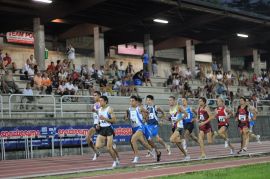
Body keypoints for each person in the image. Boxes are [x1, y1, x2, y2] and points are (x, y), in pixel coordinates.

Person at [125, 96, 156, 163]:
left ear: (136, 101)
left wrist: (145, 118)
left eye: (132, 100)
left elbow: (147, 112)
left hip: (140, 127)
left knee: (133, 140)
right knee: (143, 143)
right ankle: (151, 150)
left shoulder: (139, 108)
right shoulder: (129, 109)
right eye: (130, 101)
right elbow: (127, 117)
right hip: (134, 128)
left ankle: (136, 157)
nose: (131, 102)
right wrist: (126, 118)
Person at [95, 96, 120, 168]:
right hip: (102, 129)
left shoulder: (110, 109)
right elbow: (99, 120)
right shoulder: (99, 109)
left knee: (108, 148)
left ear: (105, 101)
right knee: (97, 146)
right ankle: (111, 144)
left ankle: (115, 161)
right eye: (99, 101)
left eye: (101, 101)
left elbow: (114, 120)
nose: (100, 102)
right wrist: (98, 125)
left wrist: (105, 119)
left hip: (109, 129)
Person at [168, 96, 190, 160]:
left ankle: (182, 141)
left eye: (171, 100)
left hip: (179, 126)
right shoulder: (170, 108)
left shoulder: (178, 107)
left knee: (171, 139)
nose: (169, 102)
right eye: (168, 100)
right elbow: (173, 118)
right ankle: (186, 156)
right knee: (178, 144)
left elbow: (186, 114)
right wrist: (171, 122)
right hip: (174, 127)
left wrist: (178, 120)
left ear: (174, 101)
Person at [86, 91, 101, 160]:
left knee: (108, 144)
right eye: (93, 95)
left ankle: (116, 159)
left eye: (95, 95)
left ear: (99, 96)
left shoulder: (101, 103)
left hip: (101, 124)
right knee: (87, 138)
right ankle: (96, 152)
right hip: (95, 124)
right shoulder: (95, 104)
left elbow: (102, 114)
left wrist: (95, 111)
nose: (94, 97)